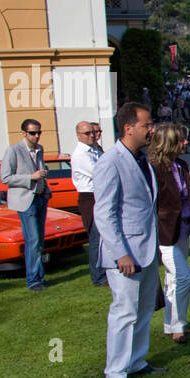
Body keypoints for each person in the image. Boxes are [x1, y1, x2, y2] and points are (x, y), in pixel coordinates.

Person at [95, 102, 165, 378]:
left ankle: (136, 360)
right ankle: (115, 370)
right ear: (128, 128)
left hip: (145, 247)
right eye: (146, 125)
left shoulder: (140, 159)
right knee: (124, 311)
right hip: (125, 252)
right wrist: (120, 252)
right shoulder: (111, 161)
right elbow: (104, 213)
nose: (151, 130)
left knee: (144, 308)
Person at [149, 123, 190, 345]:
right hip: (164, 234)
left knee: (174, 280)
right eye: (181, 140)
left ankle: (173, 326)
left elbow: (189, 201)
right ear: (169, 142)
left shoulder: (181, 165)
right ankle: (177, 325)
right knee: (184, 278)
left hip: (182, 230)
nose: (185, 143)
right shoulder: (154, 168)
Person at [0, 118, 52, 291]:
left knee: (39, 241)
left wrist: (45, 189)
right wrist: (30, 177)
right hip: (25, 200)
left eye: (39, 132)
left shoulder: (39, 149)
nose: (36, 136)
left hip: (40, 197)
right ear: (23, 133)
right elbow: (5, 177)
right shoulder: (13, 151)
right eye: (32, 133)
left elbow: (40, 171)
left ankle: (39, 277)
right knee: (33, 240)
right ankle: (33, 280)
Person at [70, 119, 107, 286]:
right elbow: (100, 172)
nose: (92, 135)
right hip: (89, 197)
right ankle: (98, 276)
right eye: (87, 133)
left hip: (98, 195)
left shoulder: (94, 150)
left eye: (93, 132)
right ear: (79, 135)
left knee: (103, 236)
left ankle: (104, 271)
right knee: (96, 238)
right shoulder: (81, 154)